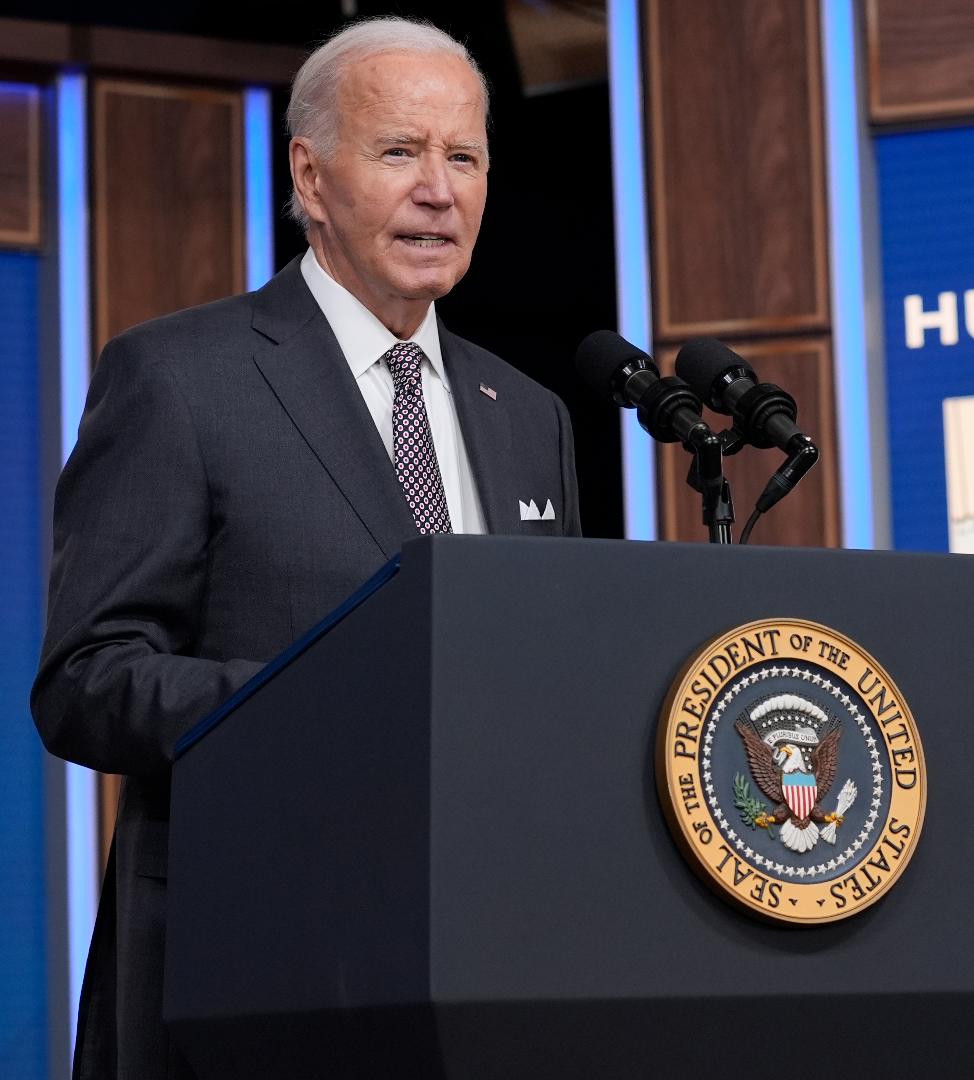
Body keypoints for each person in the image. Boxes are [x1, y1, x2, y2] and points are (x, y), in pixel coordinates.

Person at [32, 18, 581, 1079]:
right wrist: (314, 711)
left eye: (463, 157)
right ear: (311, 175)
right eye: (400, 152)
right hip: (253, 962)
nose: (440, 190)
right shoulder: (182, 378)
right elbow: (87, 678)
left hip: (480, 968)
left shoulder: (527, 412)